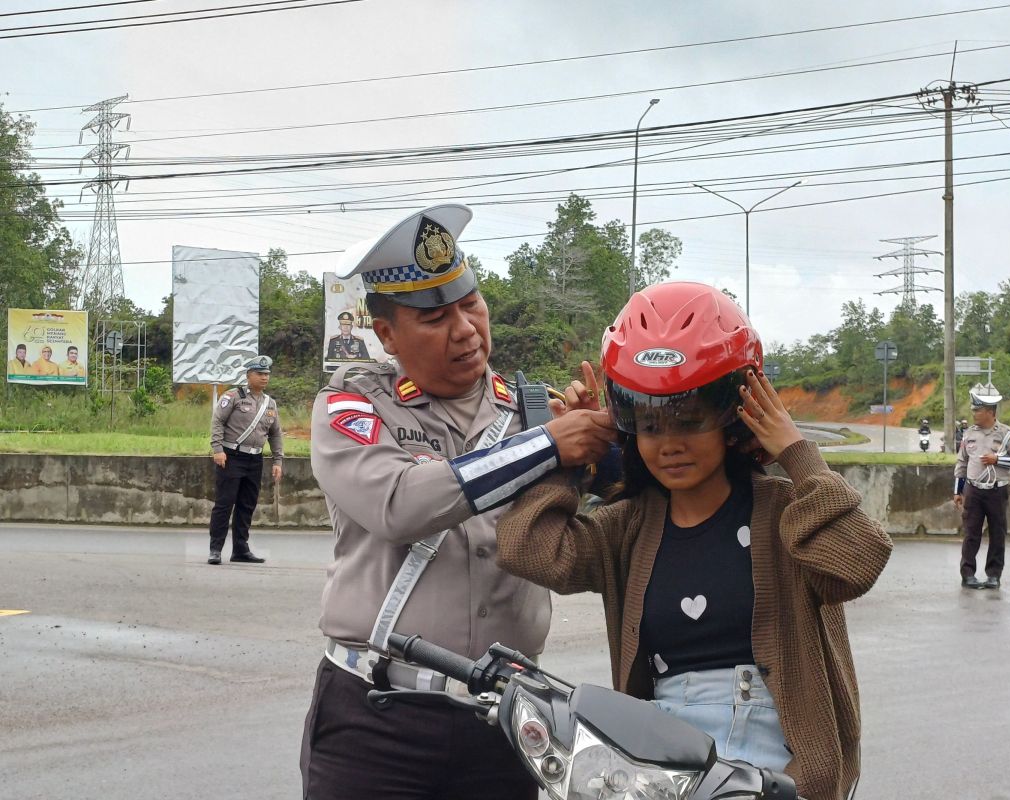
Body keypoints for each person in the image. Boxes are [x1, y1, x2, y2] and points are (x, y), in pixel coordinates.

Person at [495, 282, 893, 800]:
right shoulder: (629, 526)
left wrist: (796, 452)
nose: (670, 444)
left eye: (690, 421)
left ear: (733, 418)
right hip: (660, 757)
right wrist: (571, 459)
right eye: (650, 425)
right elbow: (526, 546)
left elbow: (859, 561)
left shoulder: (782, 512)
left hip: (779, 762)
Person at [301, 203, 615, 800]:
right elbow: (399, 505)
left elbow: (627, 517)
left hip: (503, 723)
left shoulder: (536, 411)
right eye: (436, 317)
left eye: (471, 304)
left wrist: (604, 447)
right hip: (378, 714)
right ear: (387, 332)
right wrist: (546, 447)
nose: (466, 329)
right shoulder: (352, 409)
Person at [207, 355, 282, 565]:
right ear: (248, 375)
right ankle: (215, 549)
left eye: (267, 374)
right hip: (231, 457)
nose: (264, 378)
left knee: (246, 505)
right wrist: (217, 448)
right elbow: (217, 421)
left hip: (255, 459)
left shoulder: (270, 403)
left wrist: (278, 461)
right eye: (260, 374)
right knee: (224, 504)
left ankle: (240, 549)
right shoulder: (233, 396)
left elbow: (275, 434)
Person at [953, 383, 1010, 590]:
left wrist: (998, 460)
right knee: (971, 533)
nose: (974, 413)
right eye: (974, 409)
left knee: (997, 533)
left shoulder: (1007, 434)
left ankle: (994, 575)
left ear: (990, 412)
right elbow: (962, 463)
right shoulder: (969, 434)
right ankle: (967, 574)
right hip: (973, 490)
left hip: (997, 490)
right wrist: (957, 491)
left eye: (978, 410)